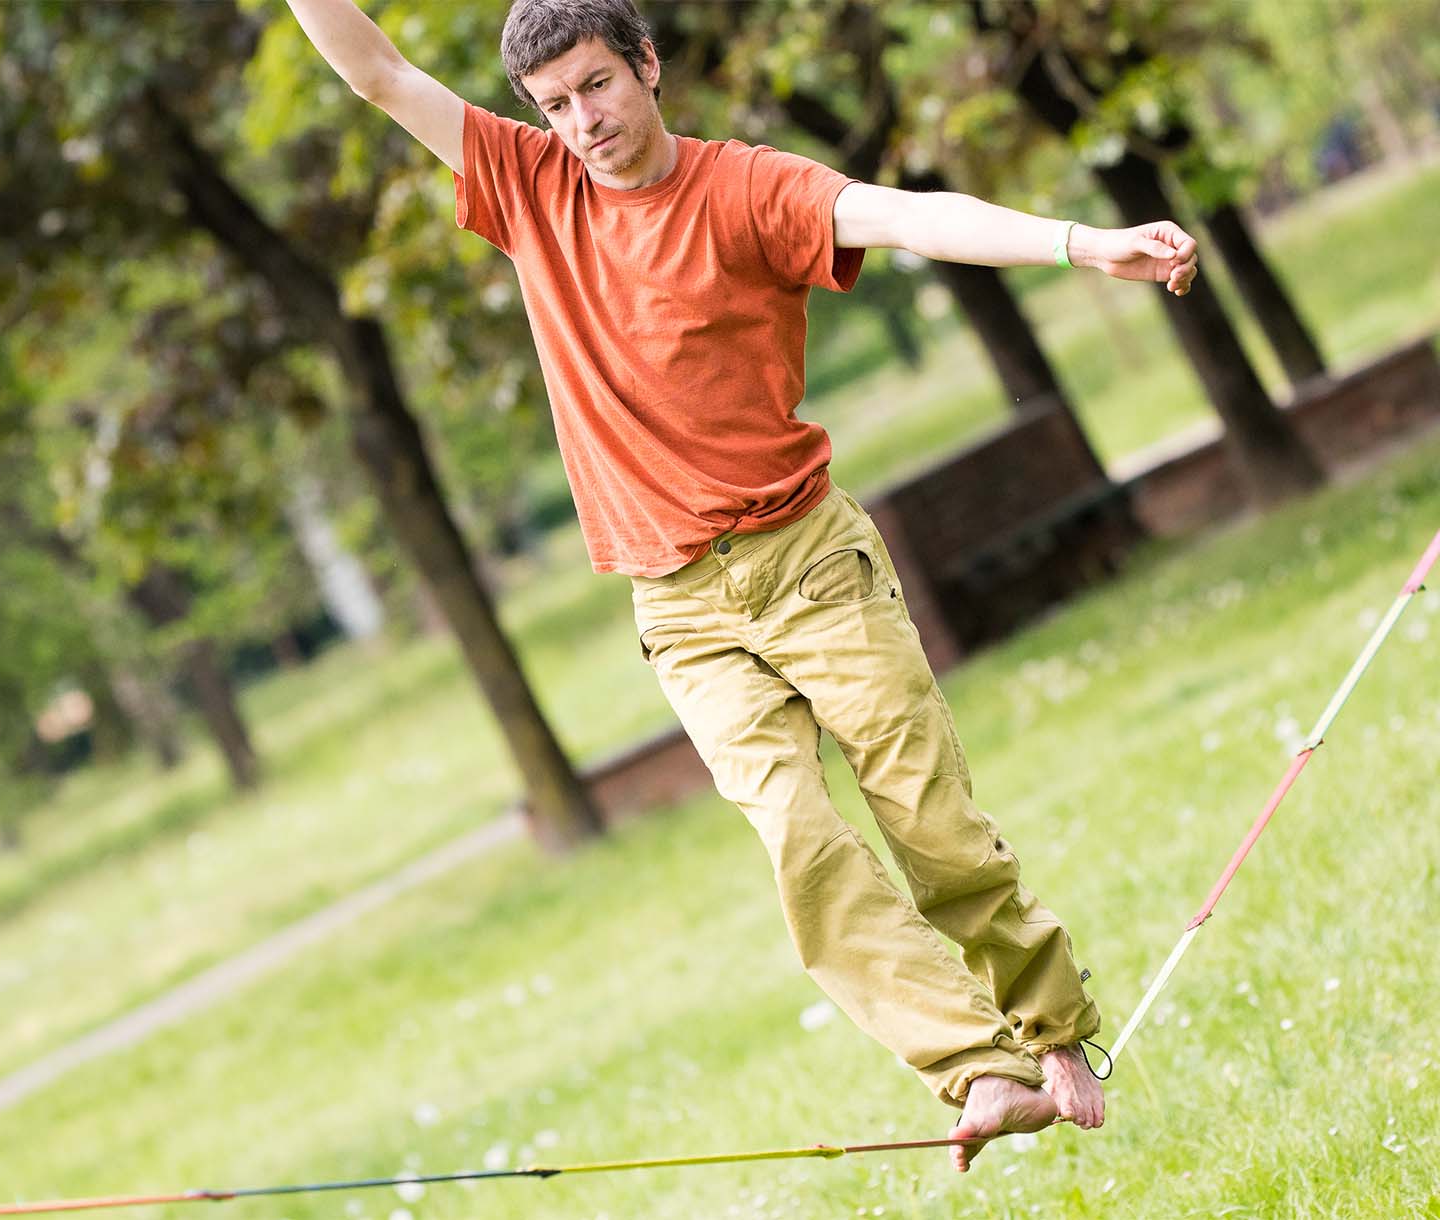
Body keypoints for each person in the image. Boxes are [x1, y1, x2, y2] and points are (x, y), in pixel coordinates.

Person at [285, 0, 1199, 1173]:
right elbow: (375, 71)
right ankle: (980, 1065)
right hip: (680, 606)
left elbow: (909, 213)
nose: (584, 121)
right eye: (555, 105)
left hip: (808, 560)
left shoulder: (746, 189)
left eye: (598, 86)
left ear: (647, 66)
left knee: (932, 820)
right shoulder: (527, 186)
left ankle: (1056, 1031)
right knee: (794, 832)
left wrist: (1084, 243)